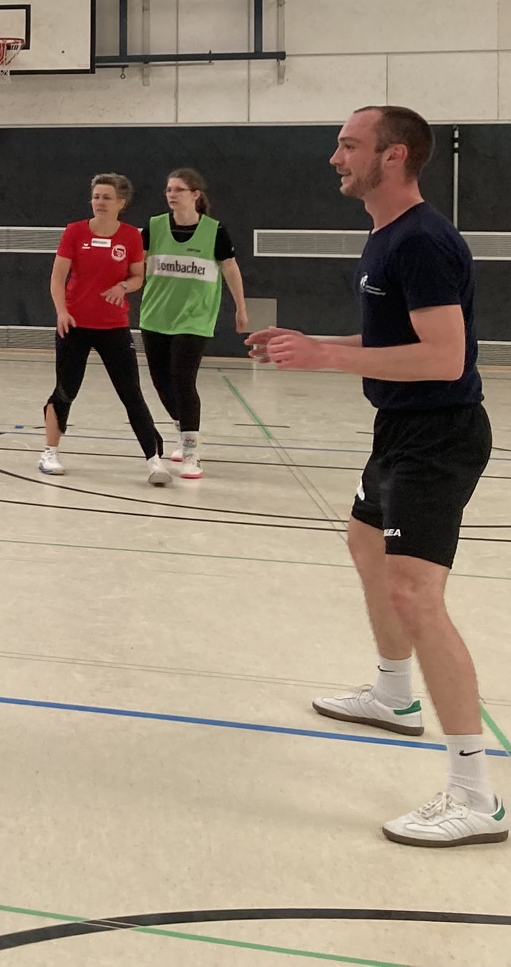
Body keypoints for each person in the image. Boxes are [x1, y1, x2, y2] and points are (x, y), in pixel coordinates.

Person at [249, 106, 504, 847]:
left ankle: (476, 795)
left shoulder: (422, 240)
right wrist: (313, 343)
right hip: (398, 429)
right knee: (365, 546)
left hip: (438, 437)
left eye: (348, 145)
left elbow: (445, 357)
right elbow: (397, 339)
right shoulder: (386, 235)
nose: (336, 157)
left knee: (414, 594)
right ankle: (394, 696)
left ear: (393, 157)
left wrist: (327, 357)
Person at [38, 173, 166, 484]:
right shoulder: (74, 232)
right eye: (96, 196)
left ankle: (154, 461)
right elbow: (57, 277)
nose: (100, 202)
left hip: (113, 327)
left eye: (107, 197)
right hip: (75, 326)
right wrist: (62, 312)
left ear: (122, 202)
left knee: (131, 394)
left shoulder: (131, 236)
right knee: (65, 390)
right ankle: (49, 452)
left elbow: (138, 276)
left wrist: (123, 287)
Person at [139, 168, 250, 480]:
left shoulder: (215, 231)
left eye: (178, 189)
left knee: (183, 379)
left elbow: (230, 269)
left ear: (195, 195)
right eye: (168, 189)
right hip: (155, 316)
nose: (171, 194)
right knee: (161, 381)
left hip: (194, 318)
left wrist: (241, 308)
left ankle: (191, 452)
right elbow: (134, 265)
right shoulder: (154, 227)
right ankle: (182, 429)